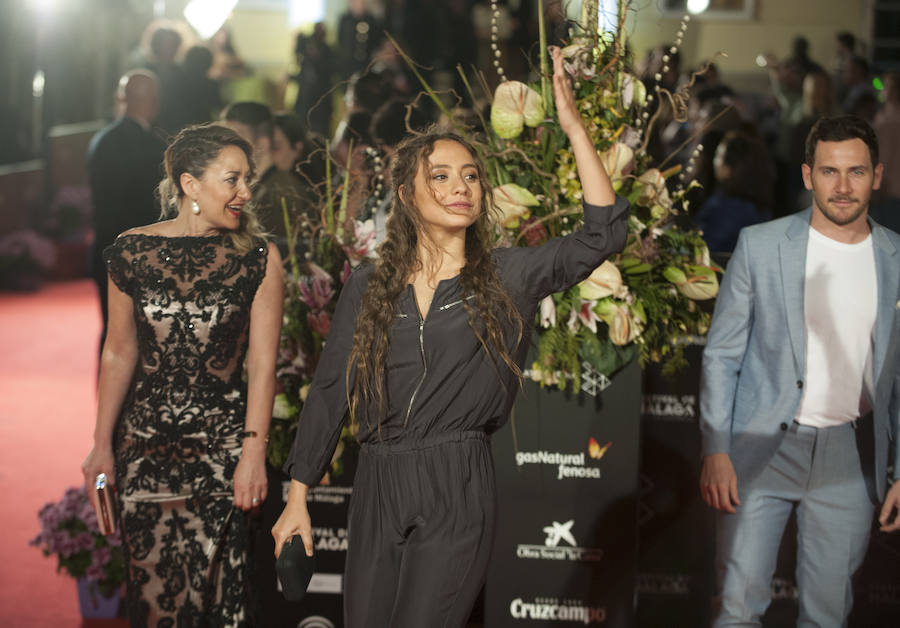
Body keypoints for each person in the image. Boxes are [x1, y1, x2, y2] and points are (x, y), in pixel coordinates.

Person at [271, 47, 629, 627]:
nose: (460, 186)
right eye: (439, 176)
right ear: (408, 196)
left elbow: (603, 234)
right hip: (379, 479)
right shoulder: (368, 286)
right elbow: (331, 387)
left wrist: (573, 127)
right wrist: (297, 496)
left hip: (456, 481)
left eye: (470, 177)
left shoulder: (508, 276)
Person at [699, 115, 900, 626]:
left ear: (878, 175)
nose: (843, 186)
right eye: (830, 172)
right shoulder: (761, 245)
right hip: (758, 446)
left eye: (856, 171)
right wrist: (717, 448)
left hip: (850, 458)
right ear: (808, 175)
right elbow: (722, 355)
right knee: (738, 608)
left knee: (827, 615)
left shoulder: (897, 259)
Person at [81, 124, 283, 627]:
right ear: (190, 184)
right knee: (153, 602)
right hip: (144, 453)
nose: (245, 192)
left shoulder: (258, 258)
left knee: (225, 604)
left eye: (248, 179)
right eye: (232, 179)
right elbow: (118, 354)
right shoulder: (130, 252)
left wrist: (253, 452)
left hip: (222, 455)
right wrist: (101, 444)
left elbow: (262, 364)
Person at [87, 70, 166, 355]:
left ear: (121, 98)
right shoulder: (155, 146)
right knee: (138, 337)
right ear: (154, 101)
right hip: (143, 254)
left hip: (107, 250)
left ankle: (108, 400)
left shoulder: (102, 141)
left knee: (113, 333)